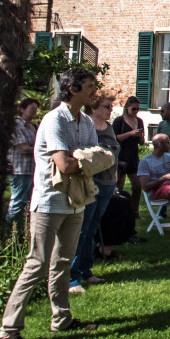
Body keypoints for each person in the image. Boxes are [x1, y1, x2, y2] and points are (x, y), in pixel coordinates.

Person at [0, 69, 100, 339]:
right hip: (50, 202)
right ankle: (8, 333)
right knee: (37, 264)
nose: (95, 91)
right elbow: (66, 165)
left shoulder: (86, 120)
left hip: (76, 201)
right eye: (90, 86)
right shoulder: (54, 120)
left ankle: (61, 319)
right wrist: (87, 161)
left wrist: (87, 160)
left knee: (63, 261)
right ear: (74, 88)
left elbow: (99, 156)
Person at [69, 95, 120, 293]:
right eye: (107, 106)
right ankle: (72, 277)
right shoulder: (87, 126)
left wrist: (115, 178)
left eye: (111, 106)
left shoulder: (109, 128)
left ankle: (86, 270)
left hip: (108, 183)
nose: (110, 110)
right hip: (92, 183)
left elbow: (114, 155)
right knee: (81, 229)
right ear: (94, 107)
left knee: (92, 227)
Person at [7, 97, 40, 223]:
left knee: (30, 202)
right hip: (20, 170)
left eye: (36, 109)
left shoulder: (35, 126)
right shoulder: (16, 125)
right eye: (32, 109)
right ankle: (10, 229)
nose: (34, 112)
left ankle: (23, 231)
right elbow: (23, 149)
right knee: (18, 201)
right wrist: (42, 151)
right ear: (22, 109)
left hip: (34, 170)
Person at [113, 96, 145, 217]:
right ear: (127, 108)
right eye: (134, 109)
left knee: (137, 187)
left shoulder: (139, 121)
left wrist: (140, 137)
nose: (136, 111)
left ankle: (134, 211)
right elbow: (115, 138)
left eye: (138, 109)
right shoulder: (119, 121)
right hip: (120, 157)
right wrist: (130, 133)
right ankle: (119, 212)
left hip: (133, 156)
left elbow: (142, 141)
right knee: (119, 187)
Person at [137, 133, 170, 202]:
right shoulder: (145, 162)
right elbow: (145, 187)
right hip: (156, 190)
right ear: (160, 145)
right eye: (168, 142)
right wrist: (163, 178)